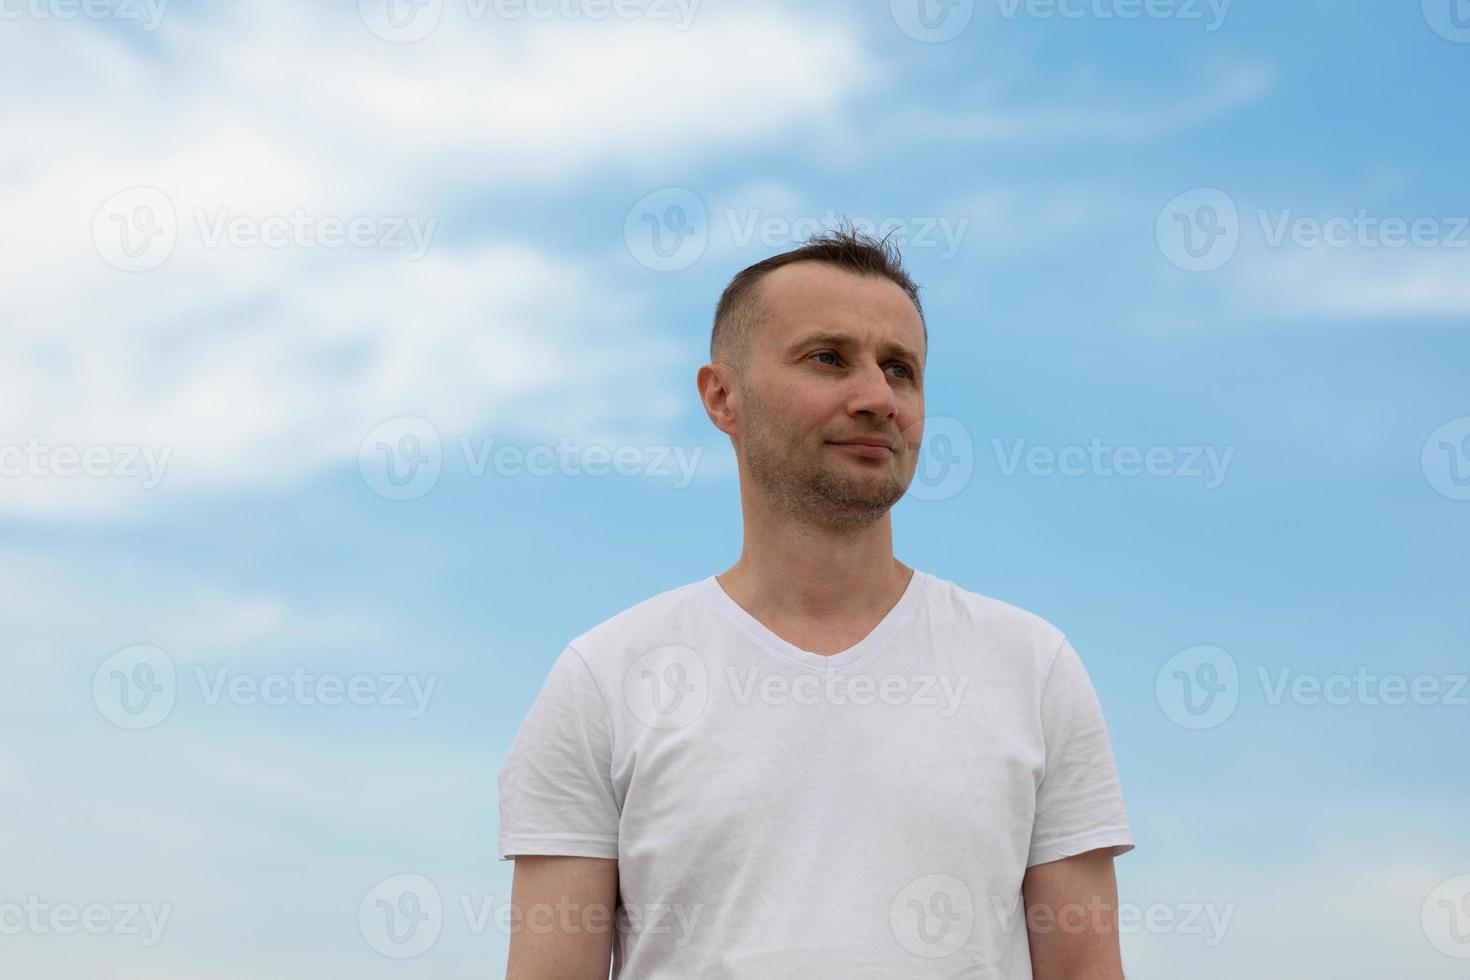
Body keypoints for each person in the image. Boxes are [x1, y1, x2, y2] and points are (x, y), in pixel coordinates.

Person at [498, 227, 1135, 978]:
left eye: (900, 370)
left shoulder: (1033, 668)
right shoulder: (604, 681)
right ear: (721, 396)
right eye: (828, 358)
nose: (876, 399)